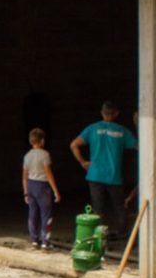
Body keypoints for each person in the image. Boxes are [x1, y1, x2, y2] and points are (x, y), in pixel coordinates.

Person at [70, 101, 137, 240]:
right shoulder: (122, 131)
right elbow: (140, 146)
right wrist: (137, 125)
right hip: (114, 176)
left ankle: (99, 236)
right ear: (116, 113)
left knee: (98, 208)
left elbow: (73, 145)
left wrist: (83, 162)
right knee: (119, 206)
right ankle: (123, 233)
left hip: (95, 174)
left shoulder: (92, 128)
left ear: (102, 113)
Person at [22, 127, 60, 250]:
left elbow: (24, 176)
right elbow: (48, 173)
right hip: (42, 186)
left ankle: (34, 240)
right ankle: (45, 241)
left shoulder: (27, 156)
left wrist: (25, 192)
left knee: (32, 213)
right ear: (42, 140)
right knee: (46, 214)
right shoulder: (45, 155)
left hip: (31, 185)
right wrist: (56, 191)